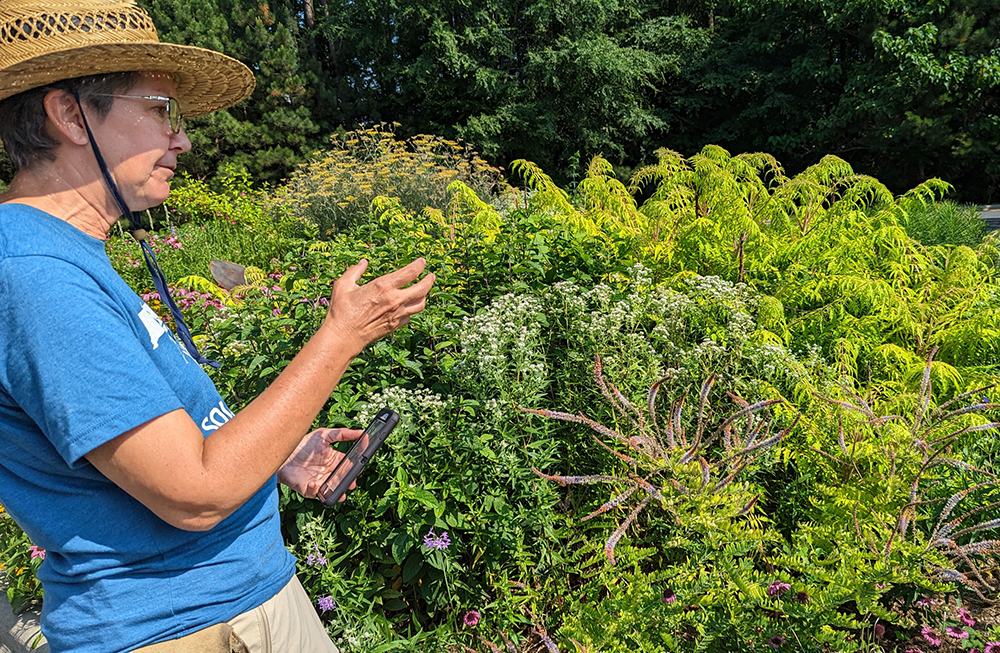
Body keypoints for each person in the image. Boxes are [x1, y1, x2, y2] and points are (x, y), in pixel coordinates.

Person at [0, 1, 435, 651]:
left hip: (235, 600)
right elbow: (197, 493)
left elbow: (164, 446)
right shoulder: (37, 276)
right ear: (68, 114)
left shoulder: (64, 255)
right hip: (185, 626)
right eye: (158, 110)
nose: (183, 139)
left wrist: (273, 455)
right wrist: (341, 334)